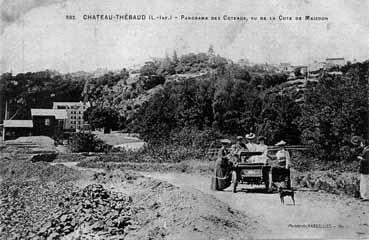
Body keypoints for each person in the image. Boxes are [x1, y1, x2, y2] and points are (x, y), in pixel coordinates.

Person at [352, 136, 369, 201]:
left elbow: (367, 161)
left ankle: (366, 196)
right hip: (363, 169)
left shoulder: (367, 151)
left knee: (365, 183)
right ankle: (362, 195)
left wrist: (361, 158)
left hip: (366, 170)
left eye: (361, 143)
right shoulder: (365, 150)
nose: (360, 145)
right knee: (362, 182)